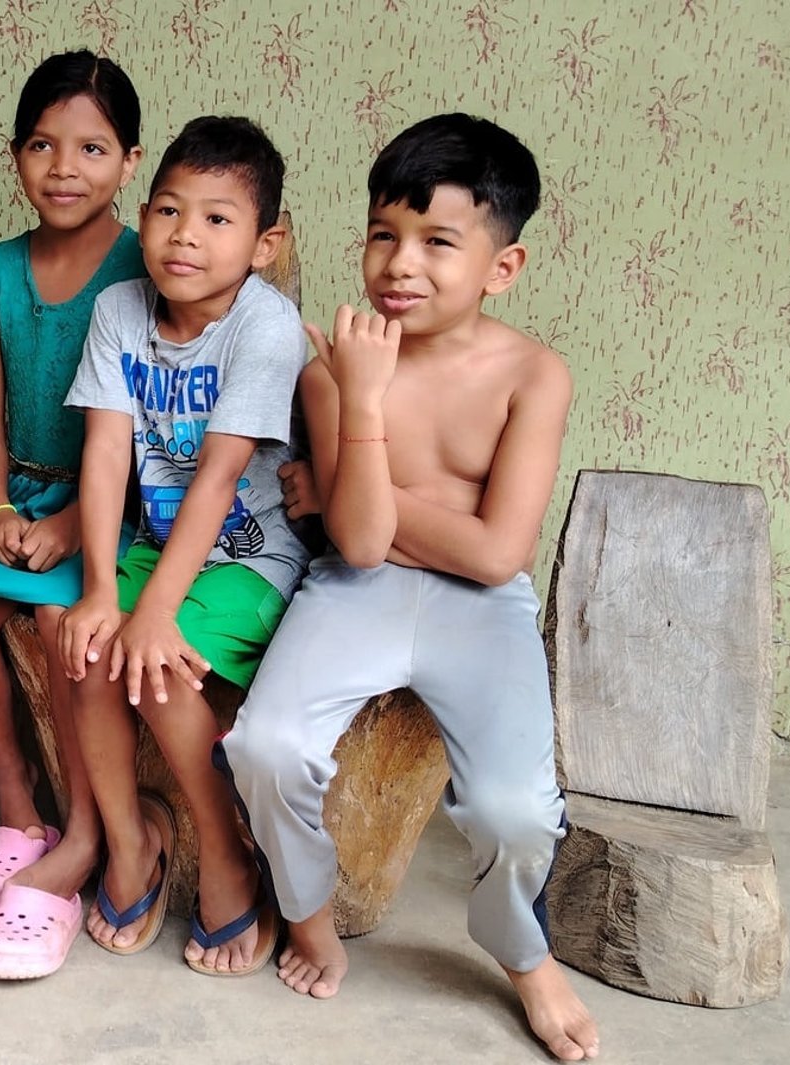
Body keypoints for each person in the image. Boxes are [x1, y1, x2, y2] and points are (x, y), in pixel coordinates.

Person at [220, 113, 600, 1060]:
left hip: (482, 614)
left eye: (438, 242)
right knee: (264, 746)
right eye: (385, 235)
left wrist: (357, 481)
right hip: (361, 589)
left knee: (517, 811)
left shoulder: (533, 376)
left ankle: (522, 950)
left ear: (500, 268)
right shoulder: (333, 370)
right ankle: (306, 912)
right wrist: (364, 400)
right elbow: (355, 543)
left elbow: (494, 554)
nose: (401, 264)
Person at [62, 116, 306, 977]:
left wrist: (156, 612)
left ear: (264, 242)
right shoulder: (118, 311)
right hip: (152, 542)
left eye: (215, 218)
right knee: (87, 650)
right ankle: (131, 845)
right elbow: (103, 453)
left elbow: (215, 476)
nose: (184, 236)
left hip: (249, 556)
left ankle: (226, 848)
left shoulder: (265, 327)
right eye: (168, 210)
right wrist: (101, 591)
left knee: (159, 666)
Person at [0, 50, 148, 982]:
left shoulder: (150, 260)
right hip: (11, 493)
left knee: (66, 625)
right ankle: (21, 808)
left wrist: (70, 527)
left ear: (130, 162)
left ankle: (91, 832)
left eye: (92, 148)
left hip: (111, 503)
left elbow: (152, 420)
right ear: (15, 156)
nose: (65, 167)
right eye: (42, 145)